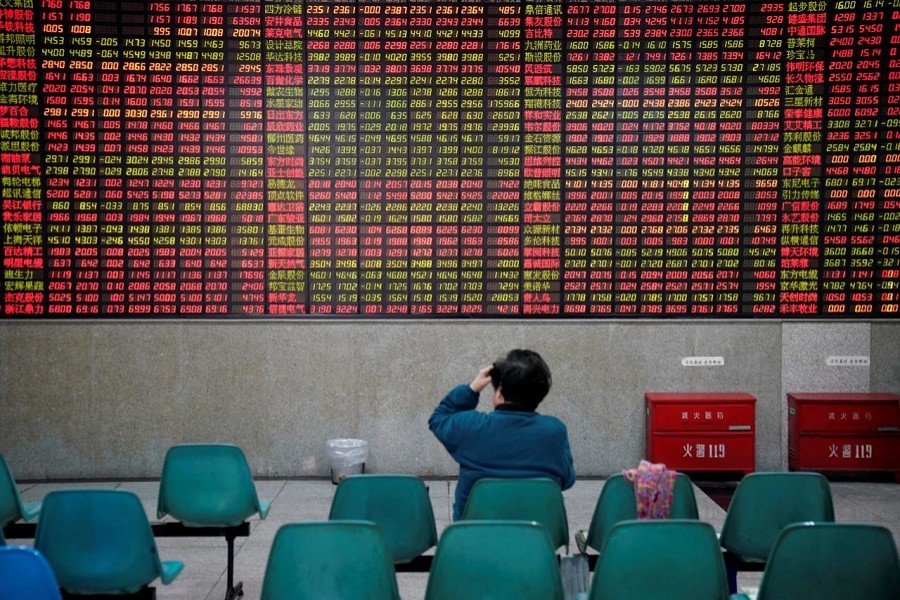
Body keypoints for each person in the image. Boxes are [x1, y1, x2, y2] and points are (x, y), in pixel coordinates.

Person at [429, 349, 576, 521]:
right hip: (536, 538)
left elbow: (439, 418)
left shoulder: (472, 428)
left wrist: (472, 388)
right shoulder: (554, 431)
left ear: (499, 393)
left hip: (474, 538)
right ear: (540, 393)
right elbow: (567, 479)